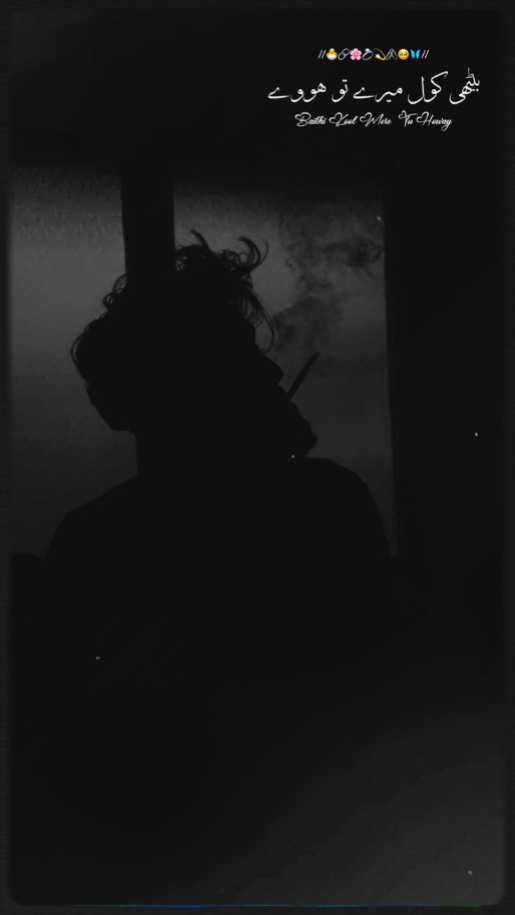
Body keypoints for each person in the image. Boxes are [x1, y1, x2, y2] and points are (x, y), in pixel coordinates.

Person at [28, 232, 398, 847]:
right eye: (238, 358)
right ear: (186, 393)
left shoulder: (94, 536)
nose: (272, 369)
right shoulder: (325, 504)